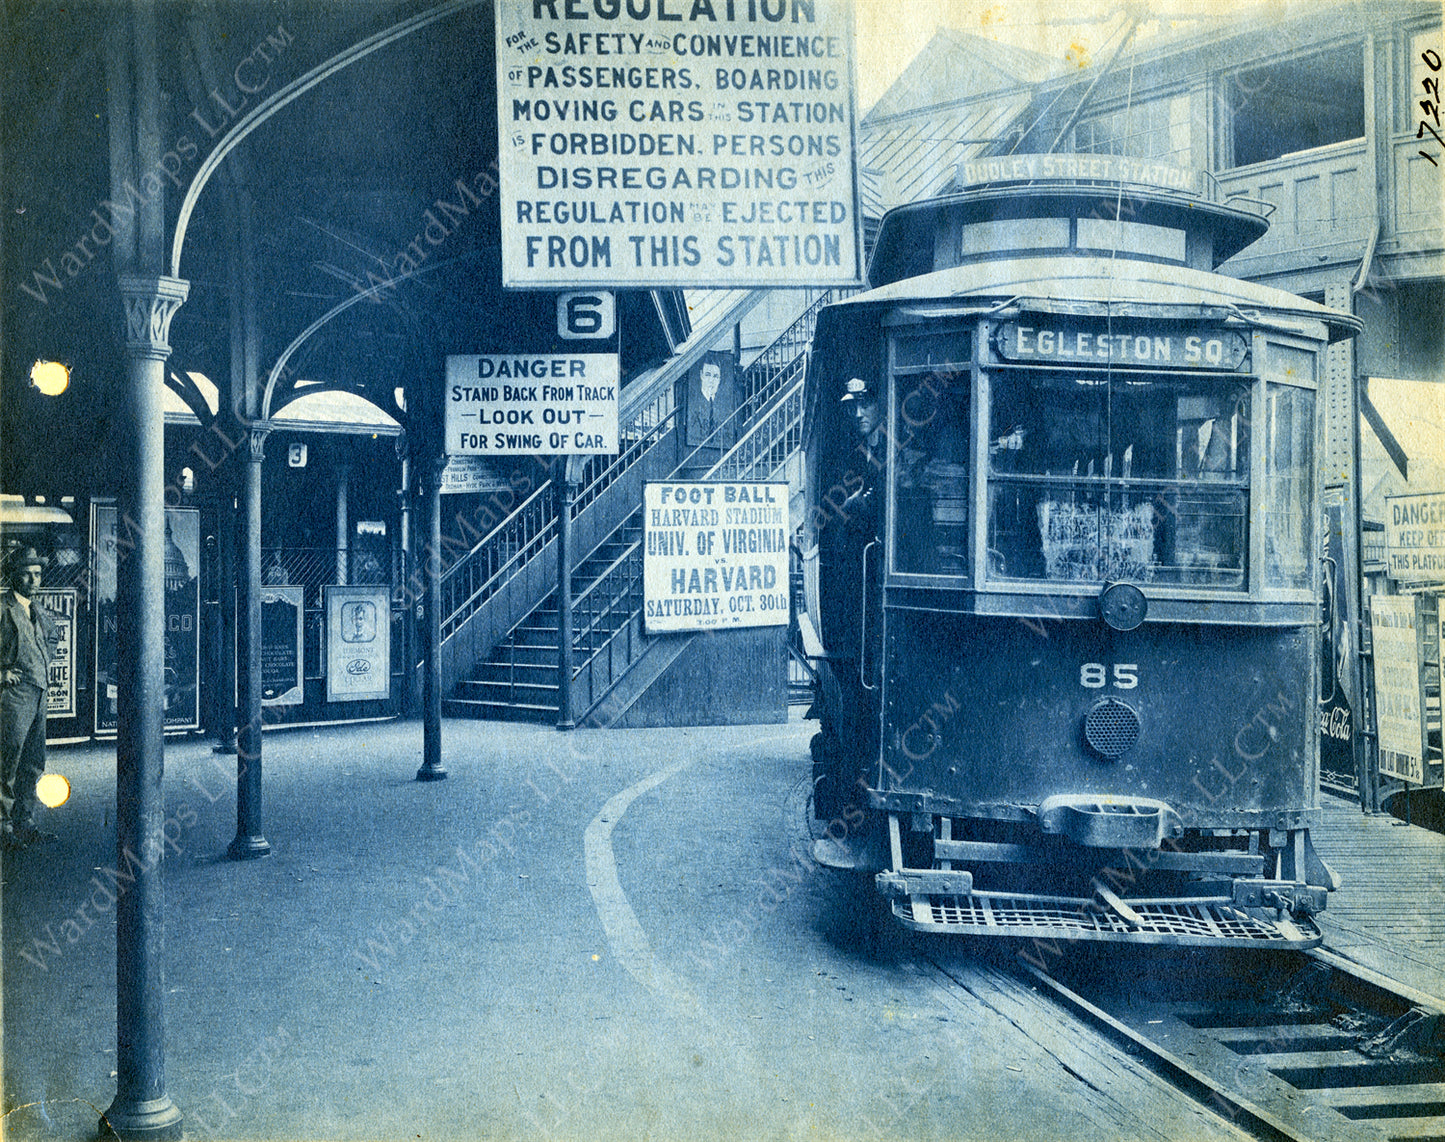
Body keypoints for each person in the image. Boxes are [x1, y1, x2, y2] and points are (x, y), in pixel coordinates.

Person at [0, 546, 60, 848]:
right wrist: (2, 674)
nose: (33, 580)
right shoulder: (3, 608)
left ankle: (24, 822)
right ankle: (3, 828)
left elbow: (50, 641)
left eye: (37, 574)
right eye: (26, 574)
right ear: (14, 575)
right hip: (11, 698)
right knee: (6, 760)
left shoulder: (40, 612)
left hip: (38, 695)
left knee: (33, 761)